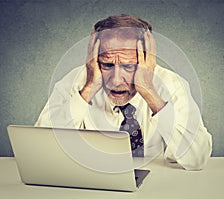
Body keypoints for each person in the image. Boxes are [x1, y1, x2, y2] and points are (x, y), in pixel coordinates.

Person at [35, 14, 212, 170]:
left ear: (147, 60)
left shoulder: (172, 84)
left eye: (129, 66)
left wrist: (150, 93)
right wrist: (88, 90)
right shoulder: (76, 82)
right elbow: (40, 151)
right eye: (107, 64)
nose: (116, 80)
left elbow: (197, 159)